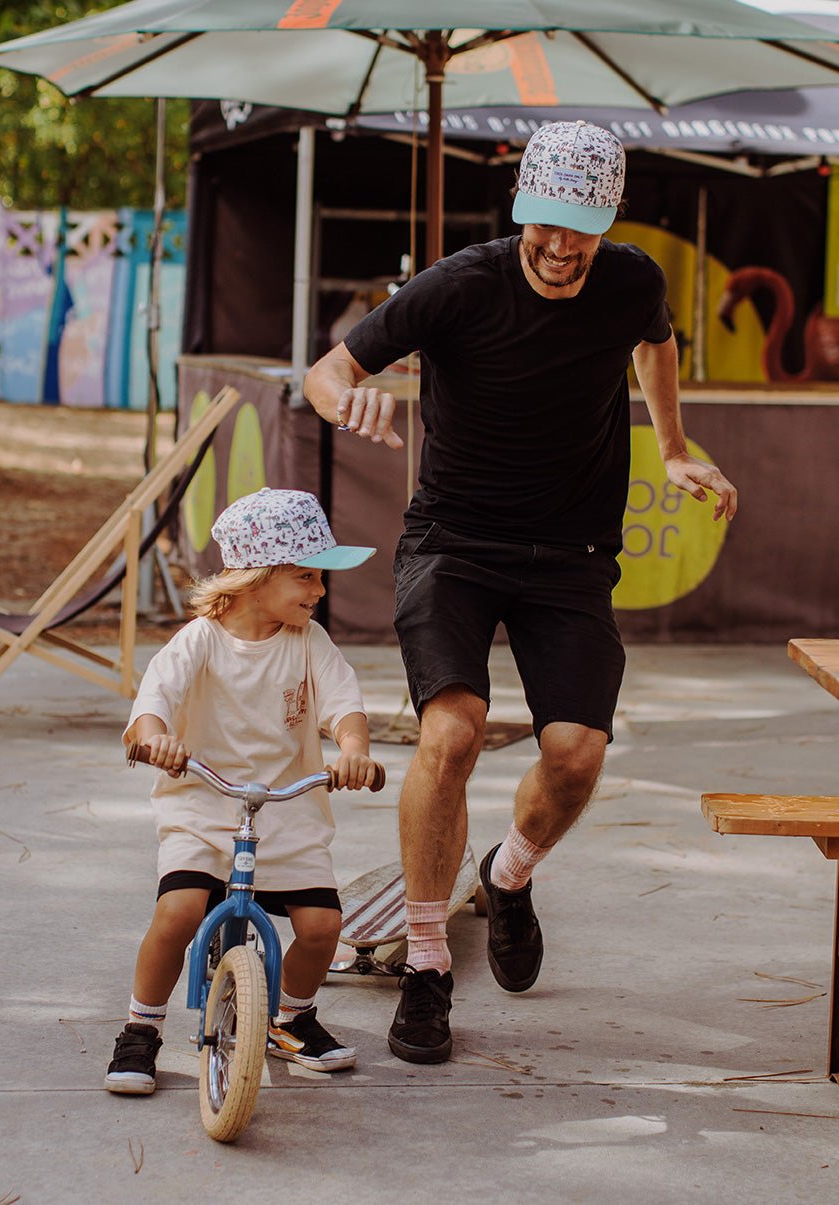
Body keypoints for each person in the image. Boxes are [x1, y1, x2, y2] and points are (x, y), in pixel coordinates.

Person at [303, 121, 739, 1065]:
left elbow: (655, 344)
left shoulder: (631, 280)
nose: (556, 244)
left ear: (605, 221)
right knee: (451, 732)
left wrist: (669, 445)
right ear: (521, 210)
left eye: (576, 226)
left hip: (572, 551)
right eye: (541, 221)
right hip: (453, 541)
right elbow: (328, 371)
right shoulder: (461, 284)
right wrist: (355, 398)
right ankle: (425, 965)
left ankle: (508, 875)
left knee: (576, 754)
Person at [105, 487, 379, 1094]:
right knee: (177, 914)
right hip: (203, 807)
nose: (320, 590)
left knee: (320, 926)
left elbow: (344, 706)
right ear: (254, 580)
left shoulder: (309, 642)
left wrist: (353, 749)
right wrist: (156, 739)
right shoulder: (200, 640)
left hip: (285, 811)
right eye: (306, 575)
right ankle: (140, 1028)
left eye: (320, 577)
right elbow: (154, 703)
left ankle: (291, 1015)